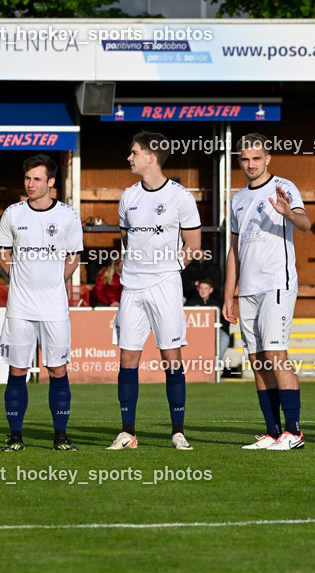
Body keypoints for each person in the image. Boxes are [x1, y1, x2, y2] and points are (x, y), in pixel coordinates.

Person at [107, 131, 201, 451]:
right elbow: (126, 238)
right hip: (131, 286)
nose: (129, 158)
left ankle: (177, 432)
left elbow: (194, 246)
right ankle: (127, 433)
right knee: (127, 359)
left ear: (152, 157)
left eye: (134, 153)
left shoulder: (181, 197)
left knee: (171, 359)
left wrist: (167, 270)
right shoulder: (128, 196)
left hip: (165, 285)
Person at [222, 133, 311, 449]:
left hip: (277, 283)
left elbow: (305, 223)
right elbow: (234, 249)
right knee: (257, 360)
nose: (250, 164)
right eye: (245, 159)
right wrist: (228, 294)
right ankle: (273, 433)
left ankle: (294, 432)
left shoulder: (284, 187)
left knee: (276, 355)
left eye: (256, 158)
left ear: (268, 158)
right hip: (247, 290)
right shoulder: (237, 198)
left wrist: (289, 213)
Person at [0, 154, 83, 452]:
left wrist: (54, 281)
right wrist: (21, 279)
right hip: (19, 307)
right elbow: (2, 255)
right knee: (17, 369)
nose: (30, 184)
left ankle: (61, 436)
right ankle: (15, 436)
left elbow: (74, 256)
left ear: (51, 182)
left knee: (57, 370)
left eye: (36, 179)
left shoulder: (68, 215)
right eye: (27, 178)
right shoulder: (12, 213)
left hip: (54, 308)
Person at [186, 278, 229, 361]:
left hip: (214, 330)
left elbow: (225, 321)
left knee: (225, 338)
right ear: (197, 289)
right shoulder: (191, 302)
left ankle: (214, 364)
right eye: (201, 288)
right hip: (195, 331)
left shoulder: (217, 303)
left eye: (206, 288)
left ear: (211, 290)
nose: (203, 291)